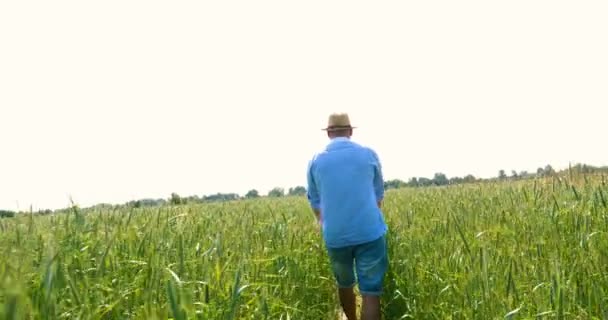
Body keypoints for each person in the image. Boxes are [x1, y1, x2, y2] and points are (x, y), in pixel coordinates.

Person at [306, 112, 388, 320]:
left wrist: (327, 224)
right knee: (370, 293)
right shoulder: (369, 155)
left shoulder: (315, 161)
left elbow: (315, 202)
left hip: (336, 235)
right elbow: (378, 196)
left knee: (344, 284)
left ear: (329, 133)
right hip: (369, 232)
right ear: (350, 131)